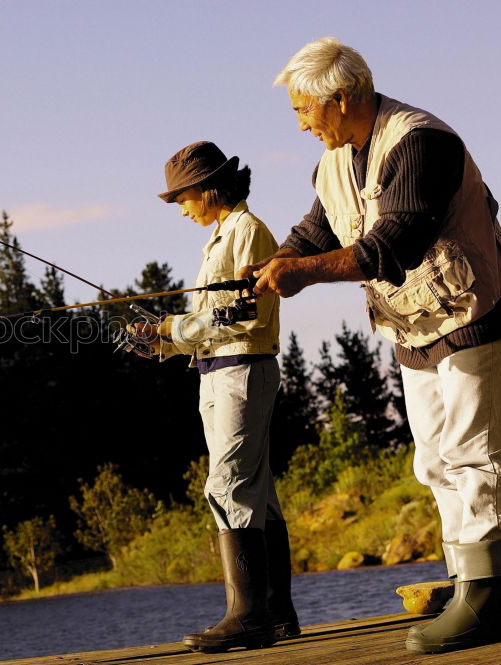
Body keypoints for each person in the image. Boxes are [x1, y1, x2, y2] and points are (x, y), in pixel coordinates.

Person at [243, 37, 501, 654]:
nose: (299, 123)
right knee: (433, 460)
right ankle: (464, 577)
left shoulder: (422, 143)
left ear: (340, 100)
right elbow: (320, 226)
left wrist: (305, 274)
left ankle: (486, 599)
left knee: (473, 452)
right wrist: (276, 263)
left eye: (301, 110)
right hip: (414, 328)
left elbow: (392, 244)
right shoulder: (338, 157)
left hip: (475, 311)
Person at [132, 140, 299, 652]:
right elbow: (214, 321)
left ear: (208, 189)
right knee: (256, 490)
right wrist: (162, 342)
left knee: (227, 486)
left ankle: (248, 617)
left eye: (182, 197)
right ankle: (275, 612)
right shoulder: (221, 236)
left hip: (241, 370)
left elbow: (245, 312)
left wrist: (171, 327)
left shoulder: (247, 232)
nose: (181, 208)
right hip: (217, 372)